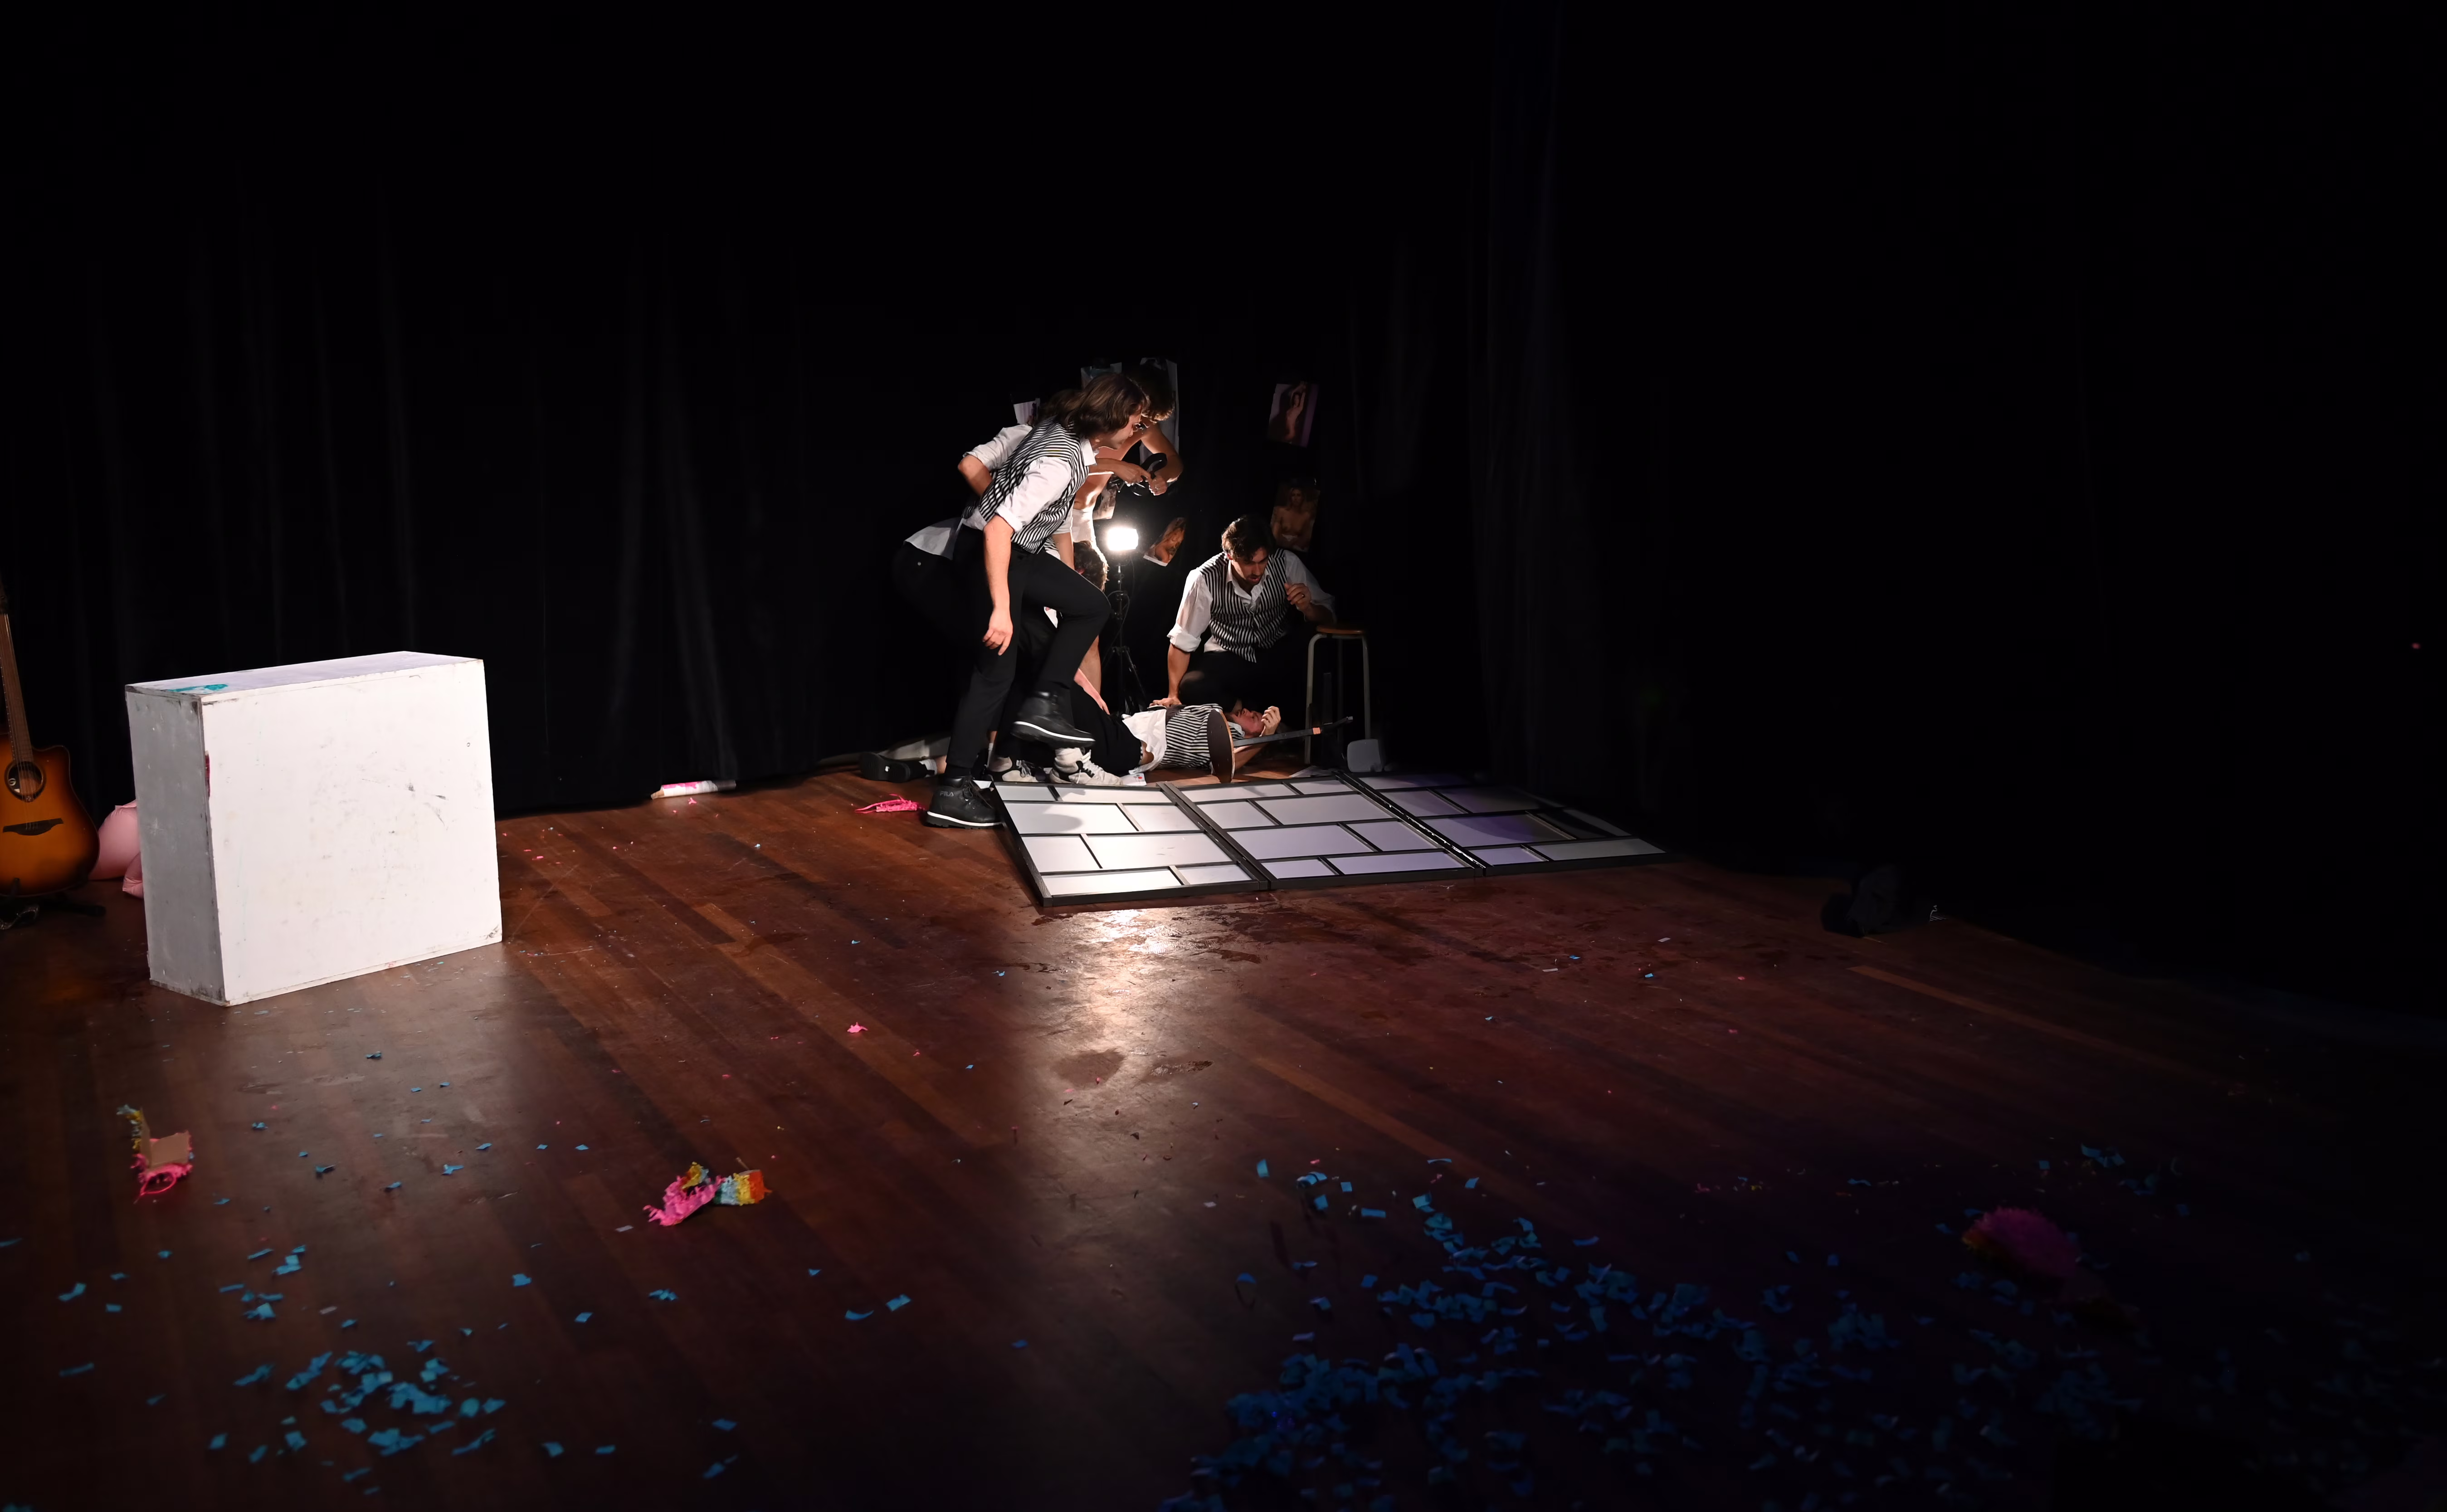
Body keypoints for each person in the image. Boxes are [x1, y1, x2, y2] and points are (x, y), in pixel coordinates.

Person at [925, 374, 1148, 829]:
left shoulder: (1066, 432)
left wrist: (1120, 463)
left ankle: (1044, 702)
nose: (1137, 430)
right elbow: (997, 529)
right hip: (992, 552)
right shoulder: (1060, 462)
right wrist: (1001, 609)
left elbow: (1049, 513)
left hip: (1021, 555)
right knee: (995, 674)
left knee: (1091, 604)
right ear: (1112, 416)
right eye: (1135, 421)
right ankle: (952, 790)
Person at [1155, 513, 1334, 721]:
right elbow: (1182, 641)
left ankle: (1286, 721)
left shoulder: (1286, 563)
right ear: (1230, 556)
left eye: (1263, 561)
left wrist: (1308, 608)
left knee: (1313, 644)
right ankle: (1246, 711)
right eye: (1249, 563)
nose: (1257, 571)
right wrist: (1173, 695)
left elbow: (1329, 616)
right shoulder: (1204, 578)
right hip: (1230, 657)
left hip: (1276, 654)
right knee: (1192, 686)